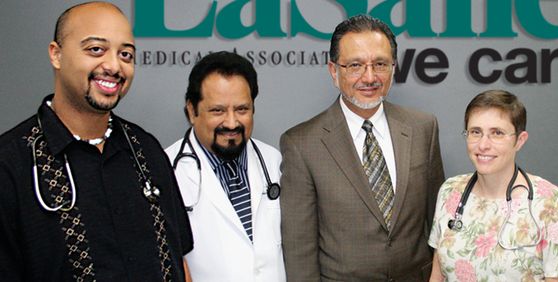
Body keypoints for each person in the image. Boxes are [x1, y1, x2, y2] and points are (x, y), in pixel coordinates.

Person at [0, 2, 193, 281]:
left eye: (125, 54)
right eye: (96, 50)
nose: (114, 66)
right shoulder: (11, 165)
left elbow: (180, 260)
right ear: (56, 54)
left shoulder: (146, 151)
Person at [280, 14, 445, 281]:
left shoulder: (423, 128)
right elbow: (300, 252)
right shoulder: (301, 144)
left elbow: (438, 225)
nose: (369, 77)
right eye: (355, 65)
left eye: (380, 64)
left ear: (393, 67)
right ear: (334, 71)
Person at [428, 90, 558, 281]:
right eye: (476, 132)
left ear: (519, 140)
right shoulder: (450, 192)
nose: (483, 145)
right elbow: (438, 275)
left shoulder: (551, 204)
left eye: (497, 133)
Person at [165, 51, 285, 281]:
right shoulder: (165, 171)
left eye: (242, 109)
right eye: (217, 111)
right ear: (192, 110)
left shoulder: (274, 162)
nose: (231, 122)